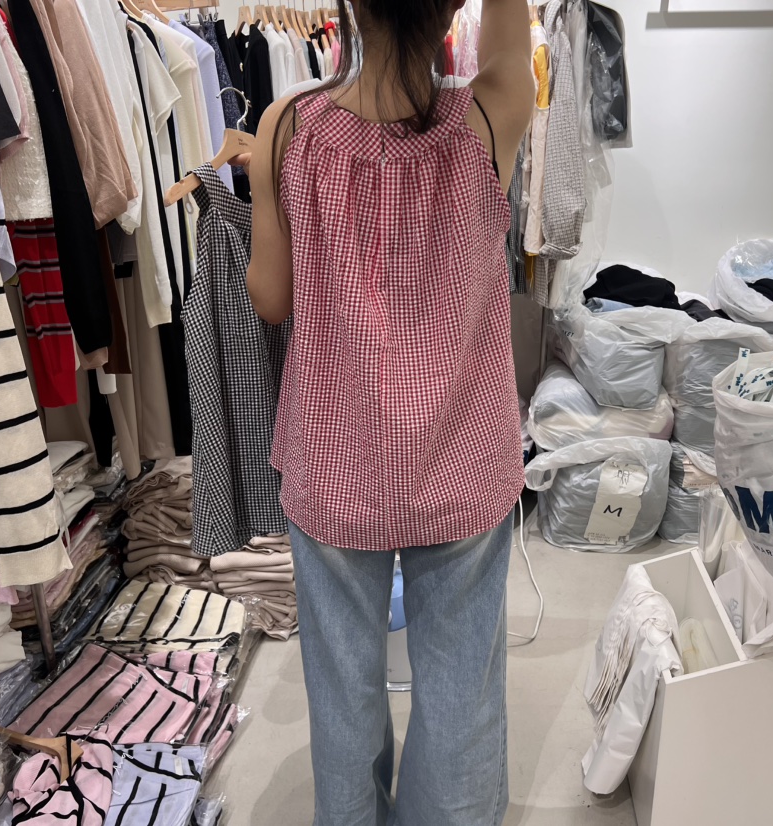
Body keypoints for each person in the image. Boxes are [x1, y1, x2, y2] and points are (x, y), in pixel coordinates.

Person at [243, 1, 534, 823]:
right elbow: (509, 44)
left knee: (342, 692)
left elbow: (271, 298)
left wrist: (263, 196)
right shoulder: (488, 119)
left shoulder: (286, 127)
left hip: (334, 463)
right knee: (462, 689)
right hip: (461, 460)